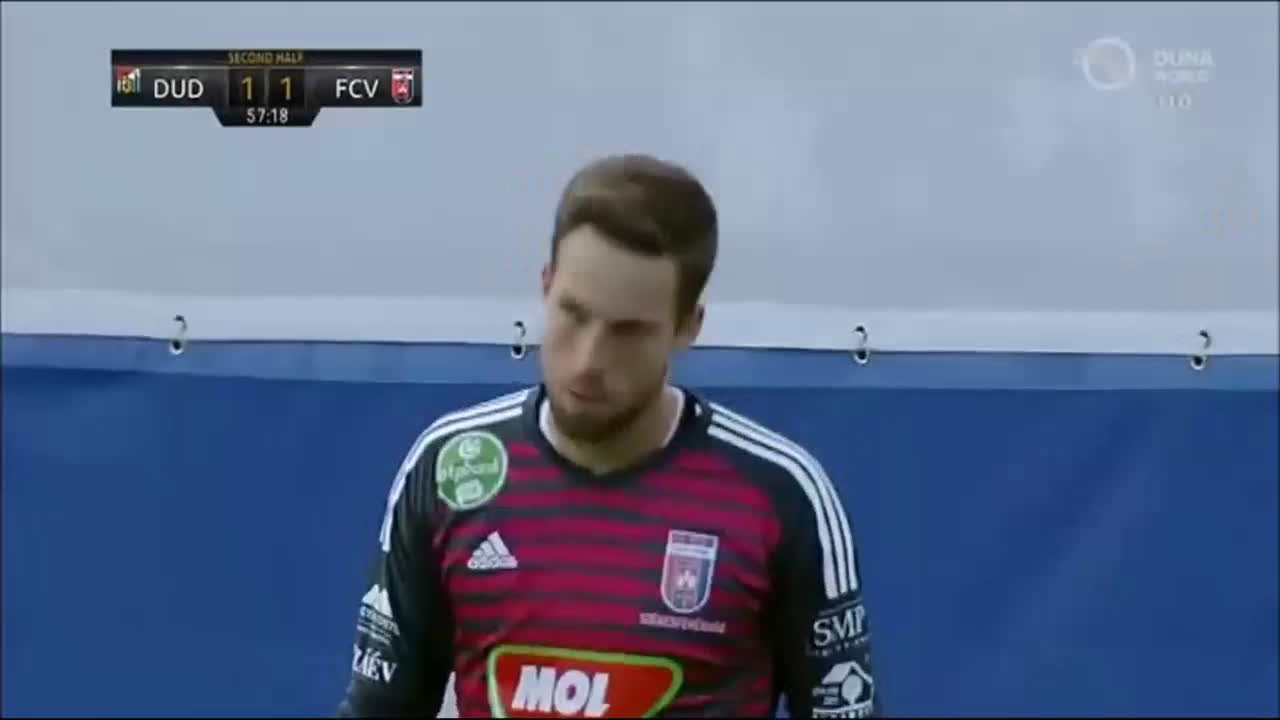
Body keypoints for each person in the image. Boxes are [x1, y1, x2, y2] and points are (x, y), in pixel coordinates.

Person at [337, 154, 880, 718]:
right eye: (573, 314)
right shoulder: (453, 468)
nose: (589, 360)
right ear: (545, 285)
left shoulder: (780, 495)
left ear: (687, 327)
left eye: (628, 331)